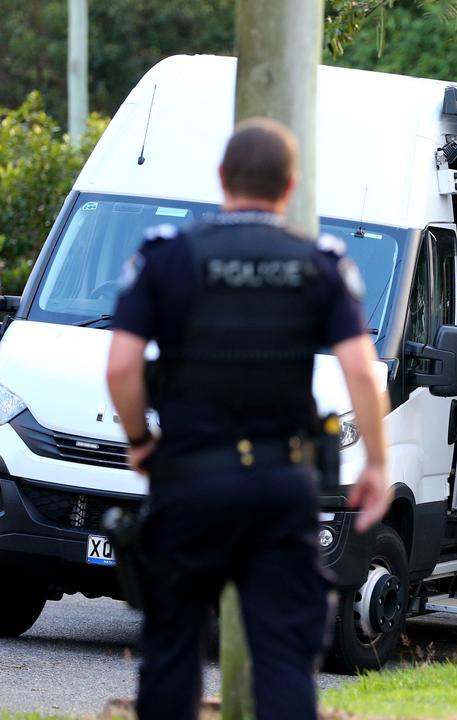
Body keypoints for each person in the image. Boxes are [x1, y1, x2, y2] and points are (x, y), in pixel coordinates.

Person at [105, 118, 390, 720]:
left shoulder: (166, 255)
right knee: (284, 654)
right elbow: (362, 372)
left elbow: (122, 367)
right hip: (279, 487)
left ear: (221, 180)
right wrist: (380, 464)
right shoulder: (320, 262)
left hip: (187, 481)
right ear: (290, 186)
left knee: (172, 648)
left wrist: (139, 440)